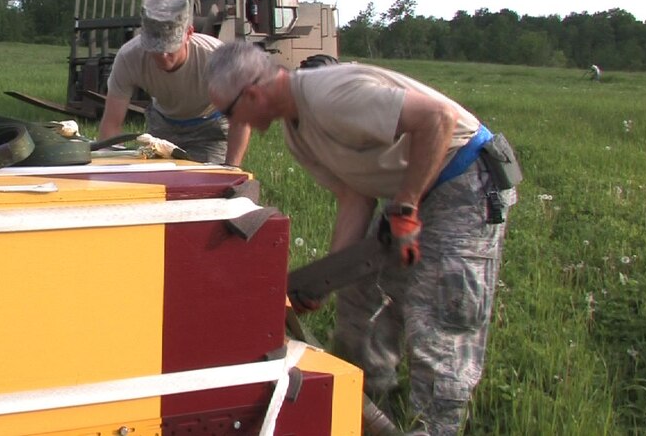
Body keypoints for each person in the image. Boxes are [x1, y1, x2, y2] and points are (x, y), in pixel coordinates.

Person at [205, 41, 519, 435]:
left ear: (251, 94)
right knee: (360, 298)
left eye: (229, 113)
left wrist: (406, 206)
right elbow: (355, 197)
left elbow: (438, 118)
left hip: (464, 181)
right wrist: (326, 279)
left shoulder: (330, 95)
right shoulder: (296, 133)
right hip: (412, 189)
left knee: (439, 316)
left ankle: (435, 426)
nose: (232, 123)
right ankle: (365, 414)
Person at [98, 0, 250, 165]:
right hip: (162, 125)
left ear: (189, 34)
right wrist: (110, 166)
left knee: (205, 186)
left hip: (210, 129)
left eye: (170, 47)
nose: (162, 56)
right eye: (155, 48)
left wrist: (231, 168)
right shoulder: (129, 57)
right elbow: (111, 124)